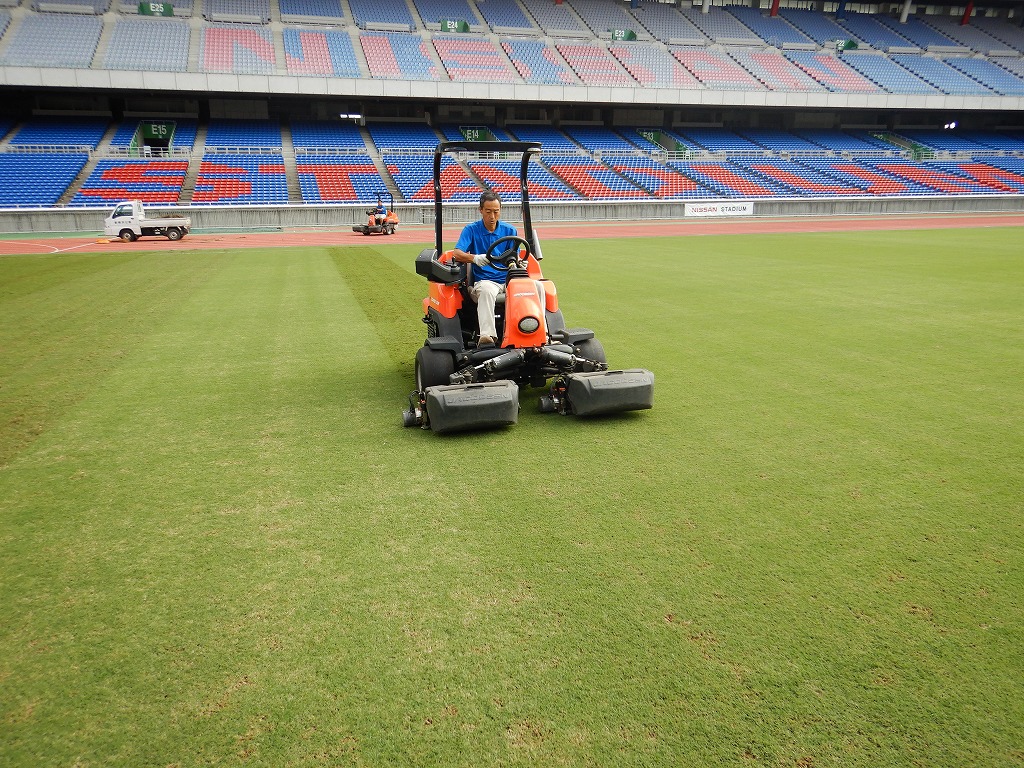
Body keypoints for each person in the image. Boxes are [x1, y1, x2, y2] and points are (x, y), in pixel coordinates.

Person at [452, 190, 542, 347]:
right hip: (485, 280)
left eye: (495, 211)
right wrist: (475, 258)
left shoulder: (510, 231)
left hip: (508, 279)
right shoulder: (471, 230)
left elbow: (512, 255)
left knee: (538, 287)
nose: (492, 216)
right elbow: (457, 253)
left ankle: (540, 331)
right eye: (488, 212)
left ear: (500, 210)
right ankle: (488, 336)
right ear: (481, 210)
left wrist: (520, 262)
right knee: (486, 291)